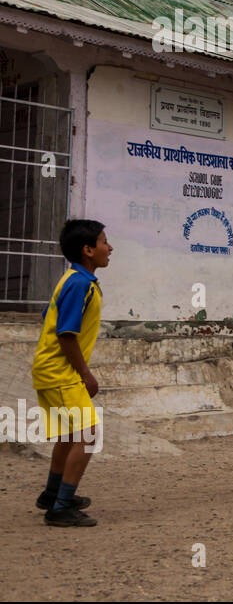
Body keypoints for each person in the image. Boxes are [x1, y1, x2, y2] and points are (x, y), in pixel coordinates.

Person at [30, 220, 111, 527]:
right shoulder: (79, 284)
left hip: (51, 370)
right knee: (89, 434)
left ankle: (52, 494)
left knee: (70, 434)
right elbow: (66, 333)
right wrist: (86, 375)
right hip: (59, 373)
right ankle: (61, 507)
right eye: (104, 242)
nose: (109, 247)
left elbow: (48, 316)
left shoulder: (72, 279)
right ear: (88, 250)